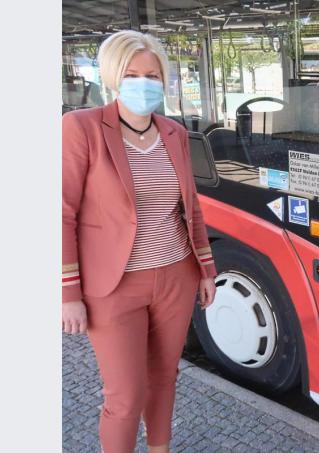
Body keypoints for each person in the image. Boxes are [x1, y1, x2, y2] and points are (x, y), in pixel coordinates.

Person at [62, 30, 218, 453]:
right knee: (125, 397)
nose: (144, 83)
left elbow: (191, 208)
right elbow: (61, 214)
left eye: (152, 74)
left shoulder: (174, 133)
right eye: (132, 73)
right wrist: (67, 293)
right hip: (114, 286)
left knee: (165, 377)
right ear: (113, 76)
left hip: (175, 277)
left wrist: (205, 269)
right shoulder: (82, 128)